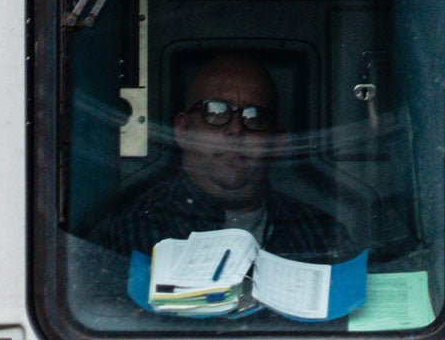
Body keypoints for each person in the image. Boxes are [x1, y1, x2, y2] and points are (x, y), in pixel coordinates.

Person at [89, 52, 347, 258]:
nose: (235, 130)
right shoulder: (133, 231)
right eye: (215, 112)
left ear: (276, 143)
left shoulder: (321, 235)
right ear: (182, 130)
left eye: (254, 117)